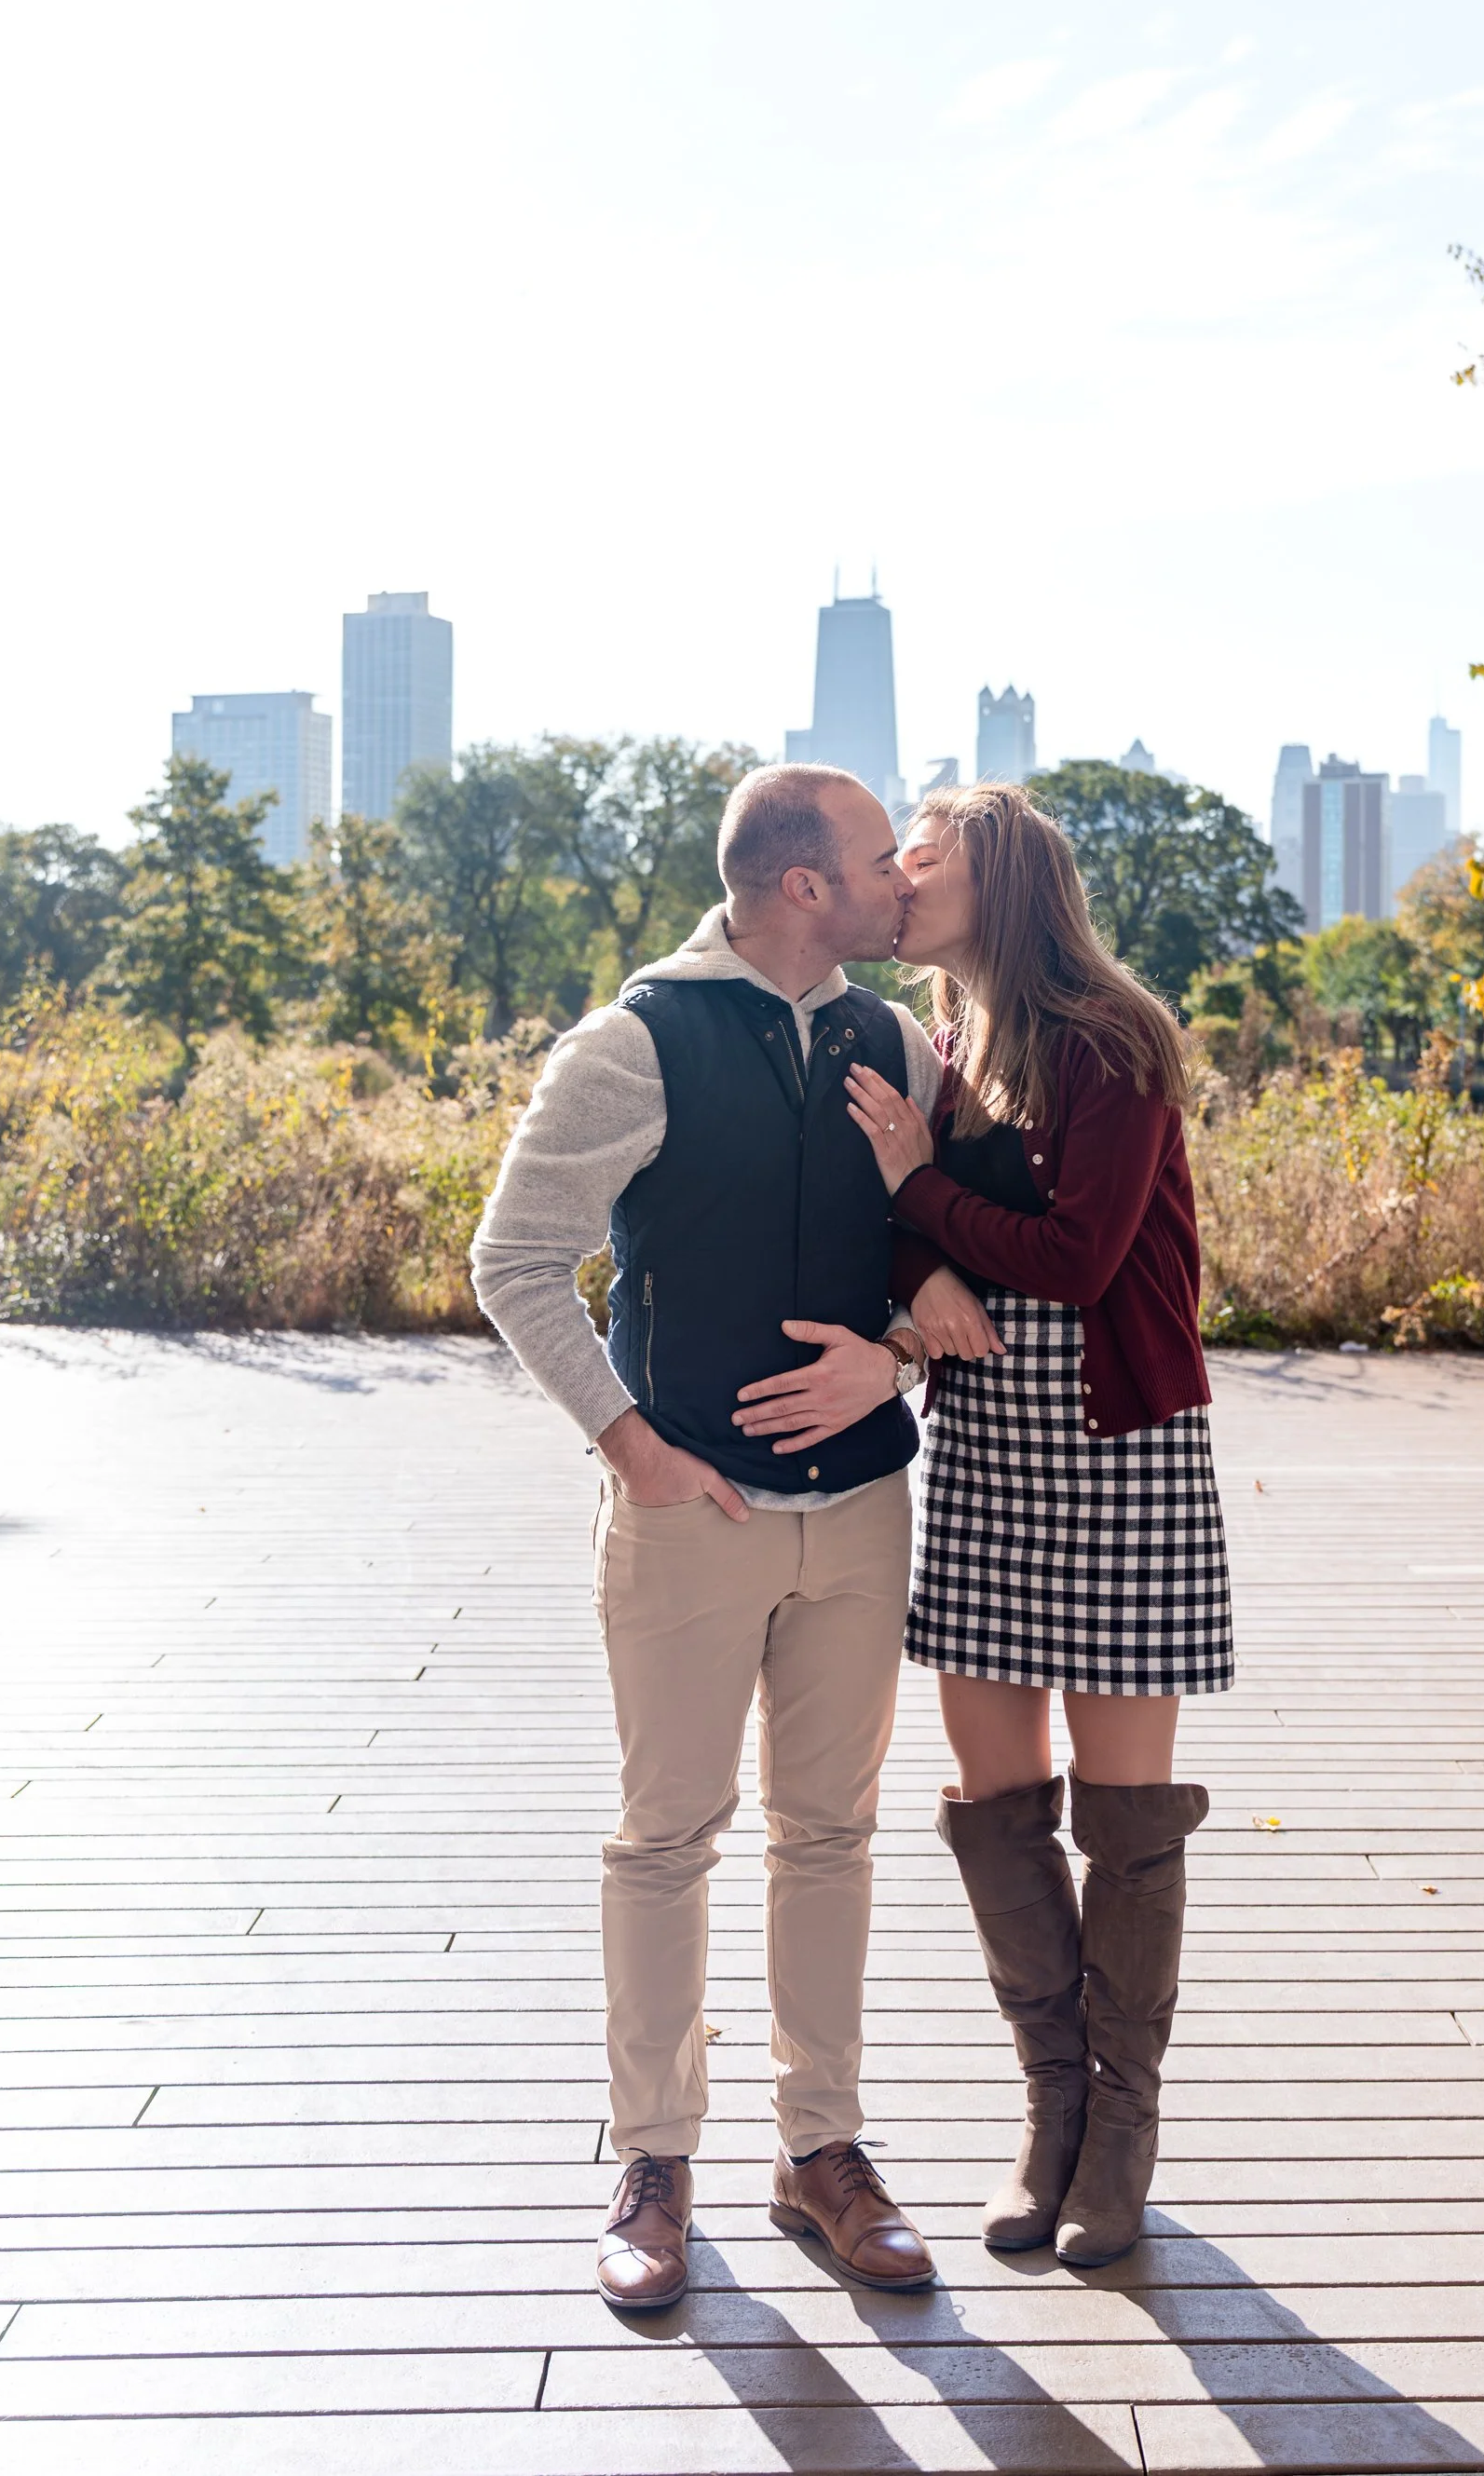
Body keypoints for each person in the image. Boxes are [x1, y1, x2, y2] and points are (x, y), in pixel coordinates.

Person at [470, 763, 993, 2311]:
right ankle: (654, 2164)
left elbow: (936, 1266)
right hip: (692, 1517)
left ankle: (818, 2151)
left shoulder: (898, 1039)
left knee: (829, 1835)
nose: (904, 874)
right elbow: (517, 1258)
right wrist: (628, 1444)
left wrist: (891, 1350)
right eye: (876, 854)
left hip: (862, 1511)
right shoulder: (637, 1040)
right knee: (666, 1840)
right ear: (804, 887)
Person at [845, 782, 1231, 2269]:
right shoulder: (938, 1045)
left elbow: (1077, 1261)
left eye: (916, 867)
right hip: (991, 1459)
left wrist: (923, 1192)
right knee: (995, 1799)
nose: (892, 888)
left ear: (990, 882)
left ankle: (1121, 2132)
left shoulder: (1109, 1040)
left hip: (1120, 1450)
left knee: (1124, 1818)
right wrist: (907, 1276)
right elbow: (885, 1218)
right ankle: (1051, 2111)